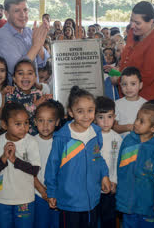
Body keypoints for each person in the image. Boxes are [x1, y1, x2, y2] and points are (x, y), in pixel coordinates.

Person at [45, 86, 111, 228]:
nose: (86, 116)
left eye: (90, 110)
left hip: (92, 199)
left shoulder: (96, 132)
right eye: (80, 111)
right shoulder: (62, 138)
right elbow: (52, 167)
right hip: (69, 201)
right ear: (71, 112)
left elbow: (98, 157)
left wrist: (104, 175)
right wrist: (51, 192)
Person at [115, 102, 154, 227]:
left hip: (148, 205)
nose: (136, 123)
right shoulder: (128, 141)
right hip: (127, 202)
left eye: (141, 121)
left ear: (153, 128)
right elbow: (120, 169)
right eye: (137, 119)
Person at [0, 102, 41, 228]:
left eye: (26, 123)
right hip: (3, 198)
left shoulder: (31, 141)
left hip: (25, 199)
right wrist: (3, 158)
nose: (23, 127)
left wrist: (14, 160)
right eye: (18, 124)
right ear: (4, 124)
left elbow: (34, 170)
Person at [118, 1, 154, 100]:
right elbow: (125, 62)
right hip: (126, 94)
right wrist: (115, 73)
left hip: (145, 100)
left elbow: (146, 77)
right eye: (131, 21)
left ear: (151, 21)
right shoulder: (134, 32)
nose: (132, 26)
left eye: (137, 23)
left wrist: (119, 79)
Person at [0, 0, 50, 83]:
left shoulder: (29, 31)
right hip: (14, 94)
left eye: (25, 10)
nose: (22, 14)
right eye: (17, 11)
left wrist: (40, 43)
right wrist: (36, 46)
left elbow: (42, 62)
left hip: (34, 91)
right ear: (7, 14)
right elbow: (19, 70)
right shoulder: (1, 36)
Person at [94, 97, 123, 228]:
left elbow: (118, 162)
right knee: (93, 220)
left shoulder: (117, 138)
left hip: (110, 187)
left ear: (114, 117)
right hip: (92, 187)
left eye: (109, 116)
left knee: (109, 219)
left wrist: (115, 181)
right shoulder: (91, 136)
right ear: (94, 117)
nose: (106, 122)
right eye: (101, 117)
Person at [34, 101, 62, 228]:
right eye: (41, 120)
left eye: (50, 121)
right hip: (37, 193)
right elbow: (27, 171)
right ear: (35, 122)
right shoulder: (30, 142)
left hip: (57, 194)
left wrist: (54, 192)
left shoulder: (61, 142)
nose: (45, 125)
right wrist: (41, 190)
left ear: (57, 122)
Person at [5, 59, 52, 135]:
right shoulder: (11, 95)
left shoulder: (38, 94)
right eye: (20, 73)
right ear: (14, 78)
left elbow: (44, 117)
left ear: (35, 78)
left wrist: (49, 103)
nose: (25, 76)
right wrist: (34, 106)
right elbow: (15, 119)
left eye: (29, 73)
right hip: (17, 138)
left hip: (36, 138)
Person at [113, 67, 148, 135]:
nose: (128, 88)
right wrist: (128, 127)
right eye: (124, 84)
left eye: (133, 84)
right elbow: (113, 127)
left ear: (140, 85)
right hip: (122, 142)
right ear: (120, 85)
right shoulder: (116, 104)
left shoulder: (146, 105)